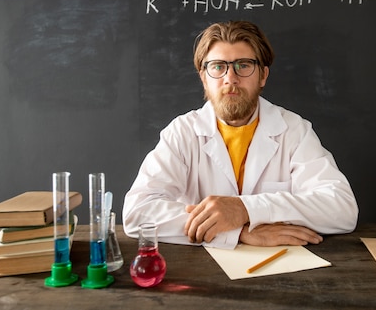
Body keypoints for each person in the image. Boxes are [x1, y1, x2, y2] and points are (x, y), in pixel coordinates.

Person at [122, 20, 358, 249]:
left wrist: (244, 209)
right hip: (203, 271)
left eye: (243, 65)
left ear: (263, 75)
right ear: (204, 78)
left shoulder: (294, 129)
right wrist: (238, 232)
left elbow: (342, 209)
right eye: (218, 67)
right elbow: (137, 213)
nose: (230, 78)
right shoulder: (182, 133)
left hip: (283, 269)